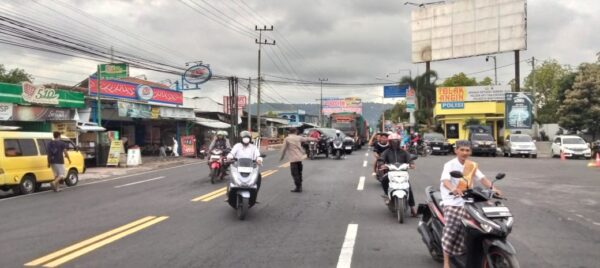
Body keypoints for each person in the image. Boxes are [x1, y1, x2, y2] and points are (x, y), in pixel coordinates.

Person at [439, 140, 502, 268]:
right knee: (451, 231)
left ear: (470, 152)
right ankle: (446, 262)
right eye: (462, 150)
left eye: (467, 150)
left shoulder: (472, 165)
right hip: (452, 202)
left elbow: (482, 179)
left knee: (479, 225)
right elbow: (445, 180)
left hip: (468, 201)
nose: (464, 152)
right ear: (456, 150)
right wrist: (453, 189)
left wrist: (493, 188)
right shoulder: (449, 165)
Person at [379, 133, 416, 216]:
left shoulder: (404, 152)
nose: (395, 143)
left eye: (397, 141)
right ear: (390, 142)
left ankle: (413, 208)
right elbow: (381, 159)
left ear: (399, 142)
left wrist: (412, 163)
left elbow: (410, 159)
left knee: (408, 186)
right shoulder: (386, 152)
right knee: (384, 180)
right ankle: (387, 195)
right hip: (390, 173)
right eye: (393, 141)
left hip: (403, 173)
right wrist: (381, 164)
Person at [227, 131, 264, 198]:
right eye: (244, 138)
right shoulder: (237, 146)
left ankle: (254, 194)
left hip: (250, 166)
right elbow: (232, 153)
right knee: (231, 176)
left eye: (247, 138)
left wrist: (259, 159)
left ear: (250, 139)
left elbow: (258, 155)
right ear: (241, 139)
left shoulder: (253, 147)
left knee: (258, 176)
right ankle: (229, 192)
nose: (246, 140)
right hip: (238, 165)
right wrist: (229, 157)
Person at [280, 127, 317, 193]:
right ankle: (299, 186)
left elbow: (283, 149)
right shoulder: (298, 137)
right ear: (295, 132)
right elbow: (307, 139)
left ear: (289, 132)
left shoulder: (287, 139)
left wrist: (282, 157)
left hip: (293, 160)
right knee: (299, 173)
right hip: (299, 158)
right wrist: (315, 139)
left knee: (294, 174)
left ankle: (298, 188)